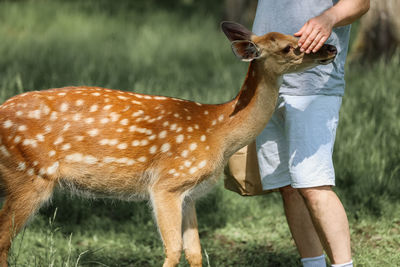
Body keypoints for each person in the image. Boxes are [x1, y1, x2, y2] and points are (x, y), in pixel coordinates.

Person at [252, 0, 370, 266]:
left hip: (312, 84)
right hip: (266, 84)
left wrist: (328, 18)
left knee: (314, 186)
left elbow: (361, 3)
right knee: (288, 187)